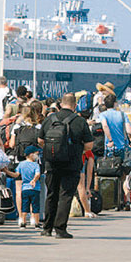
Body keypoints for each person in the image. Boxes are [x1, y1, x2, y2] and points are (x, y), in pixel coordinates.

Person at [37, 93, 94, 239]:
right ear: (75, 105)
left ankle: (47, 228)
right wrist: (77, 150)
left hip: (51, 163)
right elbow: (89, 145)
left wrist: (52, 150)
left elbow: (40, 140)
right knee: (66, 195)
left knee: (51, 194)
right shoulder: (80, 121)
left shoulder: (50, 119)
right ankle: (60, 229)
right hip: (71, 164)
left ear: (61, 104)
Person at [100, 93, 131, 157]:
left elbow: (105, 126)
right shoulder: (123, 114)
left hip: (110, 146)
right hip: (122, 146)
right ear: (115, 103)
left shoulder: (103, 115)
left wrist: (110, 140)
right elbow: (129, 131)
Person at [17, 145, 42, 228]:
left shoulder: (21, 164)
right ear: (31, 154)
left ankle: (23, 222)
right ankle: (37, 223)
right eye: (36, 154)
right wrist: (34, 180)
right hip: (35, 189)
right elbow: (37, 174)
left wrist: (6, 171)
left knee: (24, 206)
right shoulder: (36, 165)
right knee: (35, 206)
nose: (37, 156)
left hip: (24, 188)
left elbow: (16, 174)